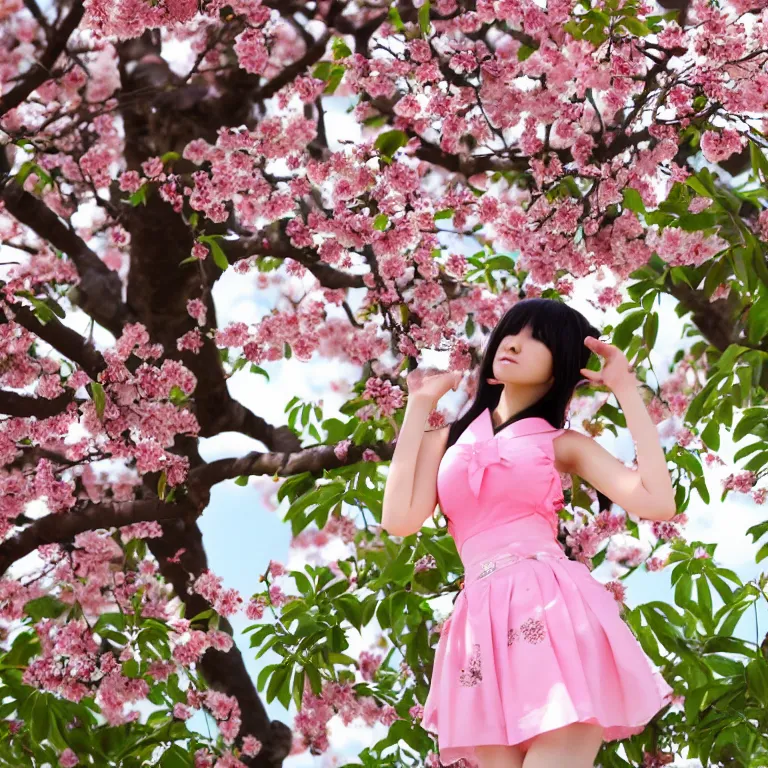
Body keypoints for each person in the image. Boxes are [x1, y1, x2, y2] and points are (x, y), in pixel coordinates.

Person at [381, 298, 676, 768]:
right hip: (480, 622)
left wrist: (628, 392)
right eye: (513, 330)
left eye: (538, 337)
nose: (516, 342)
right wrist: (418, 406)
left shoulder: (562, 443)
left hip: (552, 609)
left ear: (560, 365)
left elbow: (658, 501)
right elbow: (399, 519)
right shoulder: (449, 440)